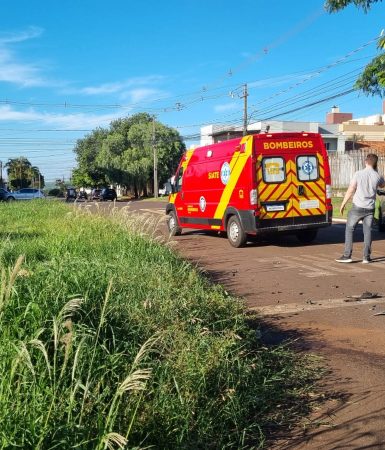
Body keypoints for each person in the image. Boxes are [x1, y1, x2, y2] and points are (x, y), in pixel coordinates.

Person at [336, 153, 385, 263]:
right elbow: (382, 185)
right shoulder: (378, 176)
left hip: (357, 207)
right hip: (370, 209)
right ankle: (366, 257)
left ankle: (347, 255)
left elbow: (351, 189)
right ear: (375, 163)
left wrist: (343, 203)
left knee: (350, 229)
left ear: (366, 161)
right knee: (368, 232)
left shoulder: (358, 174)